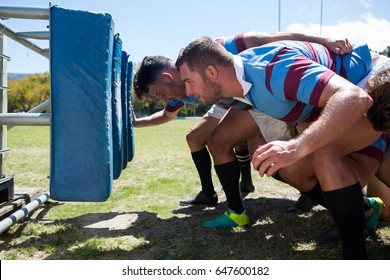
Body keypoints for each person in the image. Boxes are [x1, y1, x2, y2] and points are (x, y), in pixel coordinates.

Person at [175, 37, 385, 259]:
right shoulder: (232, 90)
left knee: (319, 151)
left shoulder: (272, 69)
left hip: (374, 81)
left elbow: (354, 97)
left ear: (211, 72)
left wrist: (296, 146)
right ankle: (363, 210)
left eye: (189, 81)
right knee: (289, 168)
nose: (187, 91)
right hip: (344, 105)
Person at [133, 31, 351, 208]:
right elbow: (166, 116)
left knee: (291, 161)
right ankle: (236, 205)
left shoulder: (213, 53)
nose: (162, 100)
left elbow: (271, 38)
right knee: (250, 153)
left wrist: (324, 40)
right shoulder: (181, 91)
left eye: (159, 95)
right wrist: (133, 123)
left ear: (167, 78)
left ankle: (344, 202)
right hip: (250, 106)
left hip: (279, 95)